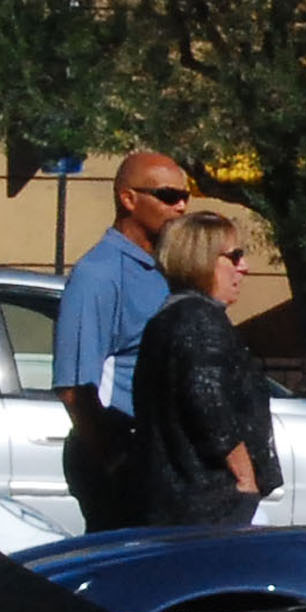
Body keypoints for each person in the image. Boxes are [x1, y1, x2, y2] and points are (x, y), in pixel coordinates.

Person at [49, 149, 190, 534]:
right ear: (128, 199)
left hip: (161, 458)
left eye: (185, 197)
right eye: (167, 196)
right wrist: (114, 461)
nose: (180, 207)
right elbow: (76, 389)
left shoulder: (168, 270)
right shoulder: (99, 273)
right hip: (122, 456)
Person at [124, 210, 283, 527]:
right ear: (202, 259)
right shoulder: (199, 320)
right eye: (234, 256)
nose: (244, 268)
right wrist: (245, 477)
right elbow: (207, 401)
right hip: (212, 500)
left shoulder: (170, 316)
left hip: (177, 499)